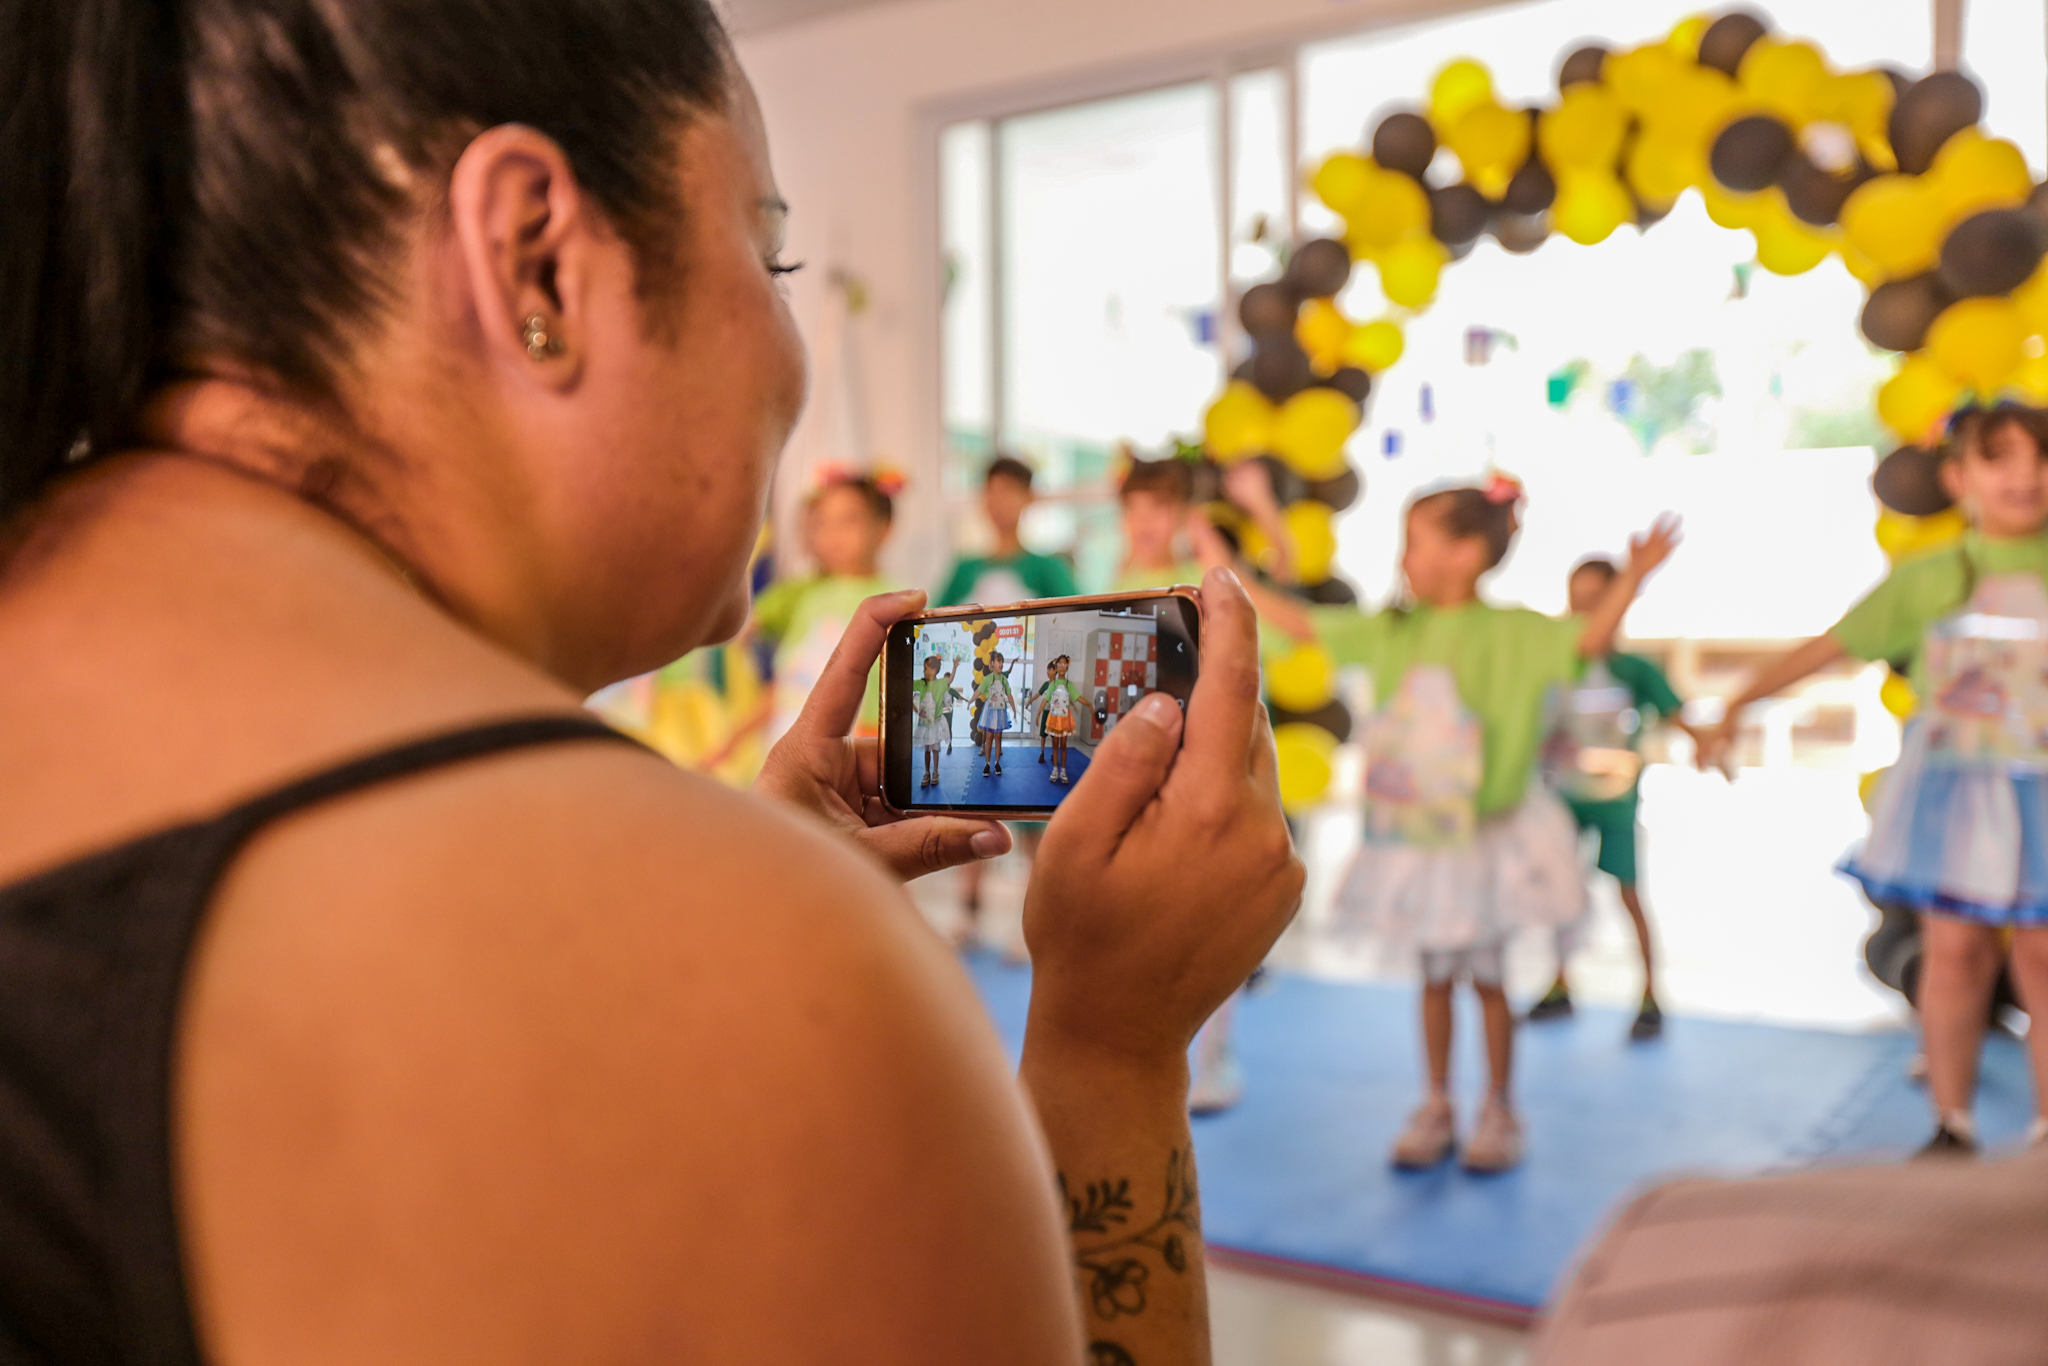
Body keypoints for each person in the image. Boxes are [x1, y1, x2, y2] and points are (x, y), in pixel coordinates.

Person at [0, 7, 1307, 1365]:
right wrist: (1111, 1053)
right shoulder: (749, 974)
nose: (790, 352)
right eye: (770, 250)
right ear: (537, 260)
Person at [1231, 477, 1679, 1172]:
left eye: (1417, 541)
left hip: (1489, 838)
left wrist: (1636, 578)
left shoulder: (1513, 633)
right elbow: (1298, 624)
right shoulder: (1392, 631)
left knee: (1489, 979)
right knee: (1433, 977)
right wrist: (1226, 570)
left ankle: (1499, 1106)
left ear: (1467, 553)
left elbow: (1589, 636)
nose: (1405, 557)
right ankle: (1436, 1101)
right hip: (1419, 839)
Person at [1699, 404, 2048, 1158]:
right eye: (2001, 459)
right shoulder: (1928, 580)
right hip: (1960, 798)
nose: (2025, 475)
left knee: (2041, 957)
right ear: (1958, 478)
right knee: (1954, 952)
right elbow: (1833, 644)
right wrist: (1734, 702)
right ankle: (1951, 1122)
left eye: (2039, 458)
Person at [1527, 555, 1700, 1042]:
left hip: (1616, 804)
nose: (1583, 613)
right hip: (1561, 800)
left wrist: (1711, 742)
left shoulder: (1634, 670)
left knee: (1628, 894)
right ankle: (1560, 982)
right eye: (1576, 601)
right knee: (1560, 894)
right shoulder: (1555, 666)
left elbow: (1678, 713)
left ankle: (1649, 993)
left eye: (1595, 602)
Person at [750, 467, 901, 742]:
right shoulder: (807, 596)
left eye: (848, 520)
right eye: (822, 522)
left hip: (850, 748)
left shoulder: (892, 601)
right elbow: (787, 679)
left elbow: (890, 694)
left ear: (884, 527)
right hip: (783, 737)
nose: (833, 533)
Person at [937, 456, 1080, 608]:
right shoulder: (964, 570)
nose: (999, 500)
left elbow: (1078, 617)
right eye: (992, 491)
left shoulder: (1049, 569)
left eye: (1008, 490)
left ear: (1028, 497)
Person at [912, 651, 962, 788]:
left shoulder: (941, 683)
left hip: (935, 723)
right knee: (927, 749)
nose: (924, 671)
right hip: (925, 724)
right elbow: (908, 684)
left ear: (933, 670)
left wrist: (955, 667)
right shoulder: (922, 684)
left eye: (925, 668)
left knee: (935, 749)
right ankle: (927, 772)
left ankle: (935, 772)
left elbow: (950, 680)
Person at [1038, 655, 1083, 785]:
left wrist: (1089, 704)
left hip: (1064, 720)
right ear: (1056, 667)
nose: (1062, 666)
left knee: (1063, 746)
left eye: (1065, 664)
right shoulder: (1052, 684)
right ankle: (1055, 770)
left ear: (1067, 667)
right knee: (1055, 745)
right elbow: (1045, 699)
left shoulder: (1069, 685)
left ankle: (1063, 770)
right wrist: (1039, 713)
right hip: (1054, 718)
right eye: (1060, 664)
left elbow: (1076, 697)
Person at [976, 650, 1018, 776]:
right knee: (989, 738)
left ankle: (997, 763)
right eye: (999, 661)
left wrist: (1014, 709)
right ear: (992, 663)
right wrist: (970, 700)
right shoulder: (988, 679)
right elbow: (979, 691)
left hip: (1000, 712)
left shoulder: (1004, 679)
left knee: (998, 738)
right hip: (990, 712)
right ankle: (987, 764)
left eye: (1002, 662)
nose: (1001, 664)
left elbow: (1009, 695)